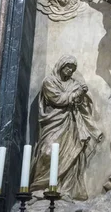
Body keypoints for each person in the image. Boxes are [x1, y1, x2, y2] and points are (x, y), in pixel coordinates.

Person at [30, 55, 103, 200]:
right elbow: (58, 99)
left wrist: (81, 95)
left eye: (72, 68)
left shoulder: (74, 84)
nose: (70, 70)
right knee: (47, 152)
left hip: (71, 123)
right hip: (53, 123)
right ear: (61, 65)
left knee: (71, 155)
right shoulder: (49, 82)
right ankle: (40, 187)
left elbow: (78, 102)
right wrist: (76, 94)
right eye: (68, 67)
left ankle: (64, 189)